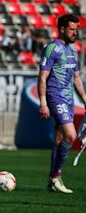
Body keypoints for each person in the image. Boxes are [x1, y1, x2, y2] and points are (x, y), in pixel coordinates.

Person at [38, 14, 83, 194]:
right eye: (72, 29)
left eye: (76, 29)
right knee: (70, 136)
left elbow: (77, 77)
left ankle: (51, 182)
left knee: (58, 140)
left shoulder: (73, 51)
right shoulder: (51, 48)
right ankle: (56, 176)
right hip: (55, 97)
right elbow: (42, 77)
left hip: (69, 99)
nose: (75, 33)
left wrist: (85, 100)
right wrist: (43, 102)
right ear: (62, 29)